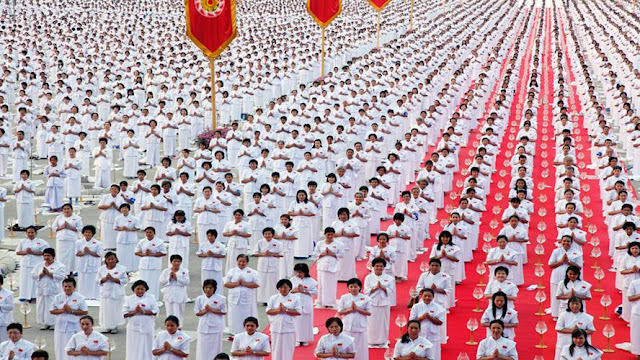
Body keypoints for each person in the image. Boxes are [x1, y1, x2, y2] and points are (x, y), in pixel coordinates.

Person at [50, 277, 89, 360]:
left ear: (74, 287)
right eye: (65, 286)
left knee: (72, 347)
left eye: (69, 286)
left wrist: (71, 311)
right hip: (60, 327)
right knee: (60, 348)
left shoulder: (80, 298)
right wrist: (62, 310)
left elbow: (85, 311)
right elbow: (52, 310)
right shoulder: (58, 297)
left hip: (73, 328)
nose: (67, 288)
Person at [224, 254, 259, 336]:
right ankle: (233, 330)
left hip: (246, 298)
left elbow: (256, 284)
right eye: (239, 261)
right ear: (237, 261)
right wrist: (236, 283)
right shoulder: (232, 271)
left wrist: (244, 283)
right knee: (234, 314)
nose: (241, 263)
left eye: (243, 262)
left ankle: (247, 330)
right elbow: (226, 284)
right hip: (234, 297)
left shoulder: (252, 272)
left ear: (247, 262)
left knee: (246, 314)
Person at [31, 248, 66, 330]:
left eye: (48, 256)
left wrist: (49, 274)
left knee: (52, 306)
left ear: (53, 256)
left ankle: (53, 323)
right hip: (41, 290)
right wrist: (41, 274)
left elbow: (61, 277)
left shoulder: (60, 266)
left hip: (53, 290)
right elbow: (33, 275)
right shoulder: (39, 265)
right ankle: (44, 323)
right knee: (42, 306)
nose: (46, 257)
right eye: (45, 255)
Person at [266, 279, 301, 360]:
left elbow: (298, 312)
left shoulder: (295, 298)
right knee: (276, 348)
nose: (283, 289)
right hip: (276, 327)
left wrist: (286, 310)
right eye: (281, 287)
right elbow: (268, 311)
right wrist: (278, 310)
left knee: (288, 349)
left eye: (285, 287)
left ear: (289, 288)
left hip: (289, 328)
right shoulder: (273, 298)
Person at [123, 280, 158, 360]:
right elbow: (124, 313)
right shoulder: (129, 299)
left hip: (147, 326)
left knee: (147, 346)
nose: (140, 291)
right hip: (133, 328)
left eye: (142, 289)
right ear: (133, 289)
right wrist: (135, 311)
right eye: (138, 289)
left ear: (145, 290)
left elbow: (155, 311)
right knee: (133, 347)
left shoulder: (151, 298)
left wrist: (143, 312)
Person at [364, 258, 395, 348]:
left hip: (384, 303)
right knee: (371, 322)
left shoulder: (389, 278)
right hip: (372, 303)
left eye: (381, 266)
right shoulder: (368, 277)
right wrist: (375, 288)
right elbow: (366, 291)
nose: (379, 268)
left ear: (384, 267)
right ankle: (371, 340)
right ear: (373, 267)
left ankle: (382, 340)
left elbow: (391, 291)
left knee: (383, 322)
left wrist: (383, 288)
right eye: (377, 266)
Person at [338, 278, 371, 360]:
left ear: (359, 287)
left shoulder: (366, 298)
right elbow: (340, 312)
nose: (353, 289)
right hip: (347, 326)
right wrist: (350, 310)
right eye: (351, 287)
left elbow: (369, 313)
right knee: (347, 346)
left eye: (355, 286)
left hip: (360, 326)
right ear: (348, 288)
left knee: (360, 347)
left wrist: (357, 309)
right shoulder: (344, 297)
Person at [194, 279, 226, 360]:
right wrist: (205, 311)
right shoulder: (199, 299)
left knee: (215, 348)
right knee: (202, 348)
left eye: (210, 288)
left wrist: (211, 309)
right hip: (203, 326)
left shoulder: (221, 298)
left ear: (214, 289)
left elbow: (223, 312)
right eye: (206, 287)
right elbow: (197, 313)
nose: (208, 290)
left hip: (216, 327)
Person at [97, 252, 128, 334]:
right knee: (106, 310)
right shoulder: (101, 269)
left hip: (116, 293)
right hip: (105, 293)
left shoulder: (121, 269)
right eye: (109, 259)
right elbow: (97, 280)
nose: (111, 261)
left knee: (115, 309)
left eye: (112, 259)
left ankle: (114, 326)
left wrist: (113, 279)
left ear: (116, 259)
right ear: (106, 260)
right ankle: (106, 326)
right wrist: (104, 279)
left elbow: (125, 280)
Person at [313, 227, 344, 308]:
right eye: (328, 234)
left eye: (331, 234)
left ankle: (330, 302)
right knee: (321, 284)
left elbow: (342, 254)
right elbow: (315, 254)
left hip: (333, 266)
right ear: (325, 234)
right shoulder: (320, 243)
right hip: (321, 266)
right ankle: (321, 301)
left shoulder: (339, 244)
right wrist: (323, 254)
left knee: (331, 285)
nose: (330, 236)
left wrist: (331, 254)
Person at [16, 226, 50, 302]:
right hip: (25, 264)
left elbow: (45, 252)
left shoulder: (41, 242)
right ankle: (25, 296)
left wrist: (33, 252)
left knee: (35, 281)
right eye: (28, 232)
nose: (30, 234)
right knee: (25, 280)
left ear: (35, 233)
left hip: (36, 264)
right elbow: (18, 252)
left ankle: (35, 296)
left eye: (32, 232)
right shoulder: (23, 242)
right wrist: (25, 252)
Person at [408, 288, 444, 359]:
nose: (427, 298)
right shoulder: (416, 307)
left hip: (433, 335)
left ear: (433, 297)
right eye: (425, 296)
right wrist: (421, 318)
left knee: (434, 355)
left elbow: (440, 322)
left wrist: (430, 317)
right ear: (421, 296)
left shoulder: (438, 307)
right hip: (419, 335)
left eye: (429, 296)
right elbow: (411, 322)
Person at [134, 227, 167, 299]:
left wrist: (152, 254)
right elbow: (137, 252)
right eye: (147, 232)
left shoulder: (159, 242)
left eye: (150, 232)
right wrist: (145, 254)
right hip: (144, 265)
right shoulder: (142, 241)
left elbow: (164, 253)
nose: (148, 234)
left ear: (154, 233)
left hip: (155, 265)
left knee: (154, 282)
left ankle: (154, 298)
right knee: (143, 281)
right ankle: (143, 297)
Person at [289, 263, 317, 347]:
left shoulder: (311, 281)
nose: (298, 274)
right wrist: (297, 290)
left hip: (306, 302)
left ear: (305, 272)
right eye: (297, 272)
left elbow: (314, 292)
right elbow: (288, 291)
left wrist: (303, 291)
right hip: (295, 303)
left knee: (306, 321)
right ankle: (296, 339)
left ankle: (304, 339)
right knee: (296, 322)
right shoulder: (292, 280)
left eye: (300, 272)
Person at [52, 204, 83, 275]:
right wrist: (62, 227)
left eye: (68, 209)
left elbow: (80, 228)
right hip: (61, 240)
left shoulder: (77, 218)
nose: (66, 210)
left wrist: (70, 227)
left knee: (71, 256)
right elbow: (54, 228)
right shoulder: (59, 217)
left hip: (71, 240)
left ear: (71, 210)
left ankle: (71, 272)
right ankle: (62, 271)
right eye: (65, 209)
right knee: (61, 256)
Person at [159, 255, 190, 324]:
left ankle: (179, 327)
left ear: (181, 262)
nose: (176, 263)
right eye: (175, 261)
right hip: (169, 294)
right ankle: (170, 326)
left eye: (178, 261)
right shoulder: (166, 271)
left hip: (180, 294)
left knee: (179, 312)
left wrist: (177, 278)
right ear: (171, 262)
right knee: (170, 311)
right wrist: (169, 278)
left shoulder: (185, 271)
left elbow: (186, 282)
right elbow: (161, 281)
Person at [74, 225, 102, 300]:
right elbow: (77, 253)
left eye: (89, 232)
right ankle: (82, 296)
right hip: (82, 264)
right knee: (82, 280)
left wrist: (89, 252)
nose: (88, 234)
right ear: (83, 233)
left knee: (92, 280)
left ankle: (93, 296)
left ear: (92, 234)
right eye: (86, 232)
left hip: (93, 265)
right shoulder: (79, 242)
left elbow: (99, 254)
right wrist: (83, 253)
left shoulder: (97, 243)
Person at [255, 227, 283, 304]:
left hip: (273, 265)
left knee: (272, 283)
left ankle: (272, 300)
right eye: (266, 234)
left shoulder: (277, 243)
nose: (267, 235)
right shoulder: (260, 242)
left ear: (273, 235)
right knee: (262, 282)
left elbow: (281, 254)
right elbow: (255, 253)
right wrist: (264, 254)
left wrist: (271, 254)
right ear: (263, 235)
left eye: (269, 234)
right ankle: (263, 300)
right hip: (262, 265)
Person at [196, 229, 226, 295]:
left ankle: (218, 296)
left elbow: (223, 255)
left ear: (215, 236)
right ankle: (205, 295)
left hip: (216, 267)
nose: (210, 237)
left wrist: (213, 254)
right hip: (206, 267)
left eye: (211, 236)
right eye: (208, 236)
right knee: (205, 281)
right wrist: (206, 254)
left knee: (217, 282)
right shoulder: (203, 245)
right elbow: (199, 254)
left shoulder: (220, 245)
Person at [113, 204, 140, 272]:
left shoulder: (134, 218)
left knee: (131, 254)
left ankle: (132, 269)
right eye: (122, 208)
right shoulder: (118, 218)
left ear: (128, 209)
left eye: (126, 208)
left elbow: (137, 228)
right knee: (121, 254)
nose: (124, 210)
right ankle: (121, 269)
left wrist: (129, 229)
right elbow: (115, 228)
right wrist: (122, 228)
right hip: (121, 239)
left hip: (131, 239)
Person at [97, 185, 124, 250]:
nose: (113, 190)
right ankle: (105, 246)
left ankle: (115, 246)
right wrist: (109, 206)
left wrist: (115, 206)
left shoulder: (120, 198)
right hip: (106, 217)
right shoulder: (105, 197)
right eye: (112, 189)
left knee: (115, 233)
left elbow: (123, 210)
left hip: (116, 218)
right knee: (106, 232)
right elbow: (99, 206)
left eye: (115, 189)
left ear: (118, 191)